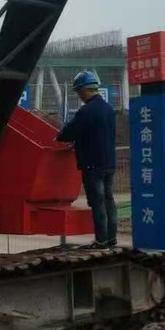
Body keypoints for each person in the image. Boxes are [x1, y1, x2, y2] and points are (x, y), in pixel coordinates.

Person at [56, 70, 117, 248]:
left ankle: (101, 240)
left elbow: (70, 131)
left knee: (98, 203)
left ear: (84, 90)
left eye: (78, 92)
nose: (79, 96)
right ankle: (111, 238)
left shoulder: (86, 111)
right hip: (109, 163)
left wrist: (59, 137)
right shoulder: (109, 109)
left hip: (92, 165)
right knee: (109, 200)